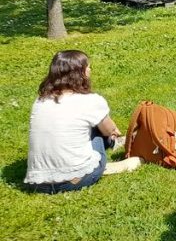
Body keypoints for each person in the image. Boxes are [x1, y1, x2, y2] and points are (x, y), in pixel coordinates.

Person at [24, 51, 140, 194]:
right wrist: (113, 132)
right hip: (76, 179)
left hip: (37, 182)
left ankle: (112, 145)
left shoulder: (40, 101)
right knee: (97, 129)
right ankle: (113, 159)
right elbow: (109, 130)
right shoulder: (91, 100)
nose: (90, 70)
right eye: (88, 67)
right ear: (80, 73)